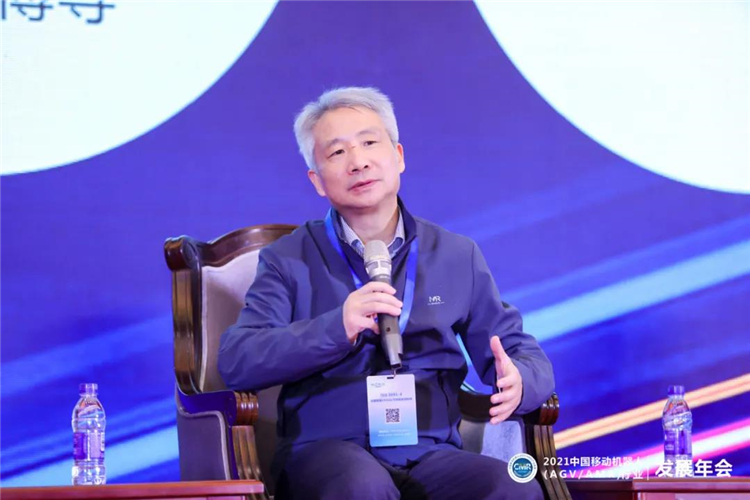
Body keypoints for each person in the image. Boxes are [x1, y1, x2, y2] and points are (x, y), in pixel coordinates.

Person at [218, 87, 554, 500]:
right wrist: (335, 328)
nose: (358, 162)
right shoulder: (288, 259)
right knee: (361, 487)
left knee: (510, 489)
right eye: (337, 152)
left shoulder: (455, 254)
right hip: (326, 452)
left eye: (369, 143)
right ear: (317, 181)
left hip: (429, 451)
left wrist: (522, 380)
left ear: (398, 156)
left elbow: (519, 350)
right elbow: (238, 359)